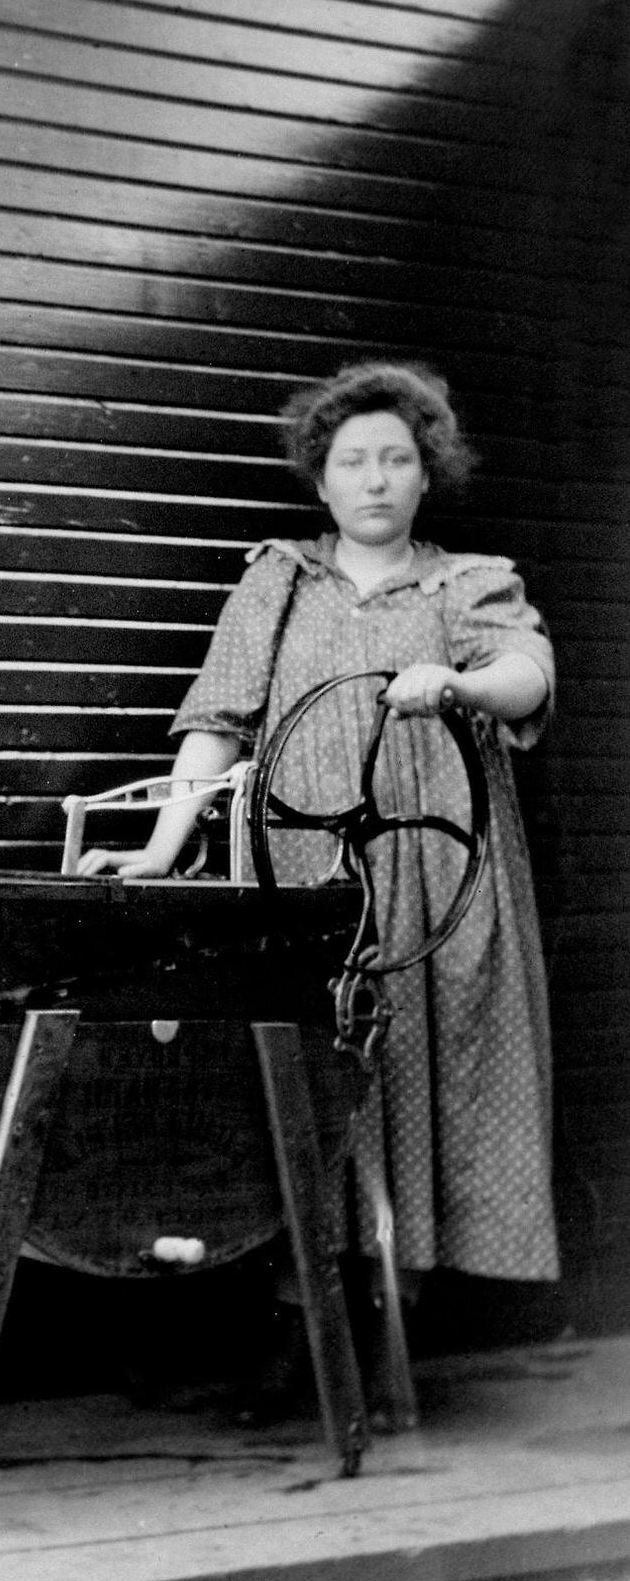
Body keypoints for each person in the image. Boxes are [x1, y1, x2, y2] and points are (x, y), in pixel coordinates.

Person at [80, 360, 557, 1419]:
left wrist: (460, 684)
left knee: (413, 1084)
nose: (376, 479)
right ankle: (301, 1330)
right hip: (301, 881)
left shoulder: (468, 583)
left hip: (432, 884)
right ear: (322, 478)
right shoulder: (276, 581)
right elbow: (218, 721)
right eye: (354, 461)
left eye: (396, 459)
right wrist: (162, 846)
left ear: (424, 474)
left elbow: (526, 673)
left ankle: (386, 1338)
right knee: (300, 1088)